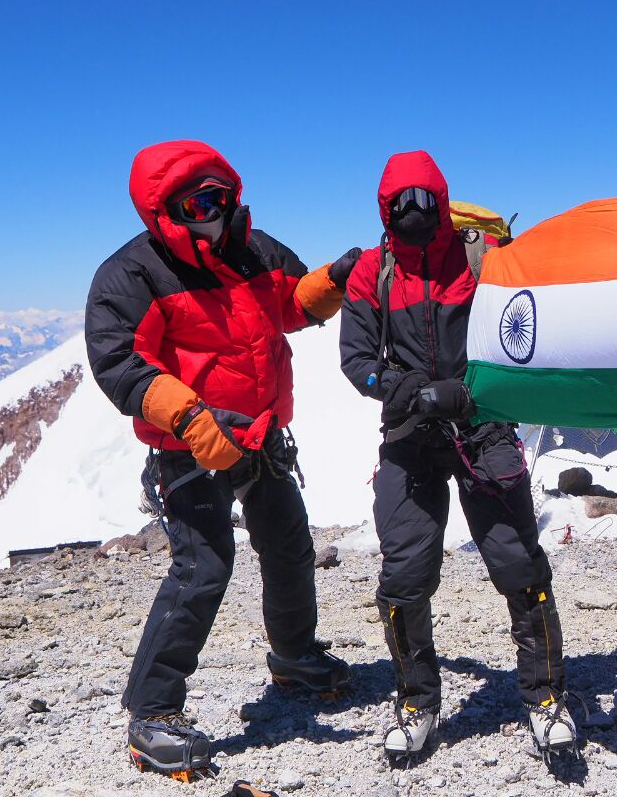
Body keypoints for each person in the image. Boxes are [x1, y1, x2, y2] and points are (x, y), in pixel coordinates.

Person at [85, 140, 362, 780]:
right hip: (188, 445)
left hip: (258, 431)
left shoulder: (253, 248)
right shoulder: (132, 275)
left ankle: (292, 657)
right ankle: (152, 713)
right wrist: (191, 418)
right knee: (204, 567)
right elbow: (119, 362)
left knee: (289, 544)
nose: (215, 207)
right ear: (164, 208)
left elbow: (291, 303)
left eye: (221, 194)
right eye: (196, 199)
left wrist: (334, 281)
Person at [338, 149, 575, 760]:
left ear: (442, 202)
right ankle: (416, 700)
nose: (412, 211)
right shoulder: (372, 271)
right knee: (405, 576)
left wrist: (467, 394)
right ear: (384, 208)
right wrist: (412, 392)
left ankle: (545, 697)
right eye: (400, 203)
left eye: (423, 200)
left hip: (483, 431)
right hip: (410, 439)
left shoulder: (482, 259)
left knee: (519, 564)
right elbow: (357, 363)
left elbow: (523, 338)